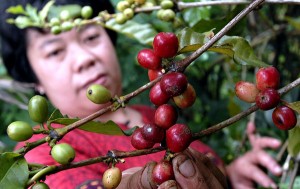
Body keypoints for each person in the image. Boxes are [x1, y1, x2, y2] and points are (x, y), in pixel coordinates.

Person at [0, 0, 282, 188]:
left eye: (90, 37)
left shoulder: (155, 116)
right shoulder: (42, 154)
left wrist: (232, 174)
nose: (83, 58)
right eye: (55, 51)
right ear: (32, 77)